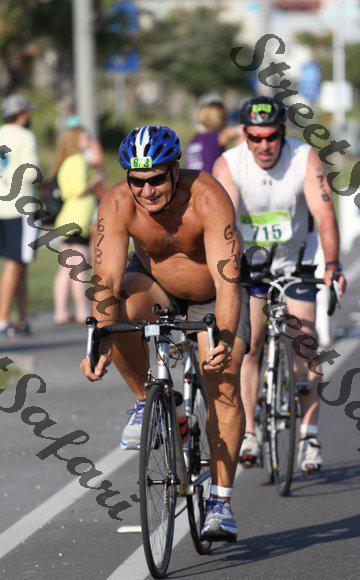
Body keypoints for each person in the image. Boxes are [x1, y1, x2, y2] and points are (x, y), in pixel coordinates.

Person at [80, 125, 250, 542]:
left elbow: (228, 281)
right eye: (137, 181)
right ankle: (148, 401)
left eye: (156, 179)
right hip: (156, 288)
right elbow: (106, 279)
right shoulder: (118, 203)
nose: (147, 190)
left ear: (175, 171)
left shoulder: (207, 197)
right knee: (118, 312)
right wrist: (98, 341)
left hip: (213, 296)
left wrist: (225, 338)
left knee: (223, 381)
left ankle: (220, 502)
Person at [212, 96, 346, 473]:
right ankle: (250, 432)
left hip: (296, 261)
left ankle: (309, 434)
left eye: (271, 137)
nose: (264, 145)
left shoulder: (304, 158)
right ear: (245, 135)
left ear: (282, 133)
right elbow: (222, 220)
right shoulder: (229, 164)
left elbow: (324, 214)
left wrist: (332, 264)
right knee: (250, 344)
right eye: (255, 138)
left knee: (305, 342)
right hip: (250, 265)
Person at [0, 94, 40, 338]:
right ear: (23, 114)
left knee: (19, 264)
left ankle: (23, 317)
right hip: (20, 207)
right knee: (16, 264)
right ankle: (3, 319)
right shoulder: (26, 136)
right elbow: (31, 173)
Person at [52, 126, 101, 324]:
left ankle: (60, 311)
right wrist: (95, 181)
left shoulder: (66, 162)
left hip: (67, 220)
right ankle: (82, 311)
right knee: (79, 267)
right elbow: (79, 190)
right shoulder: (79, 160)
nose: (88, 139)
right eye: (85, 137)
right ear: (75, 140)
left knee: (66, 268)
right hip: (78, 220)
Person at [184, 97, 242, 173]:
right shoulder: (215, 137)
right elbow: (234, 132)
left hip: (192, 179)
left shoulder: (194, 139)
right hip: (209, 179)